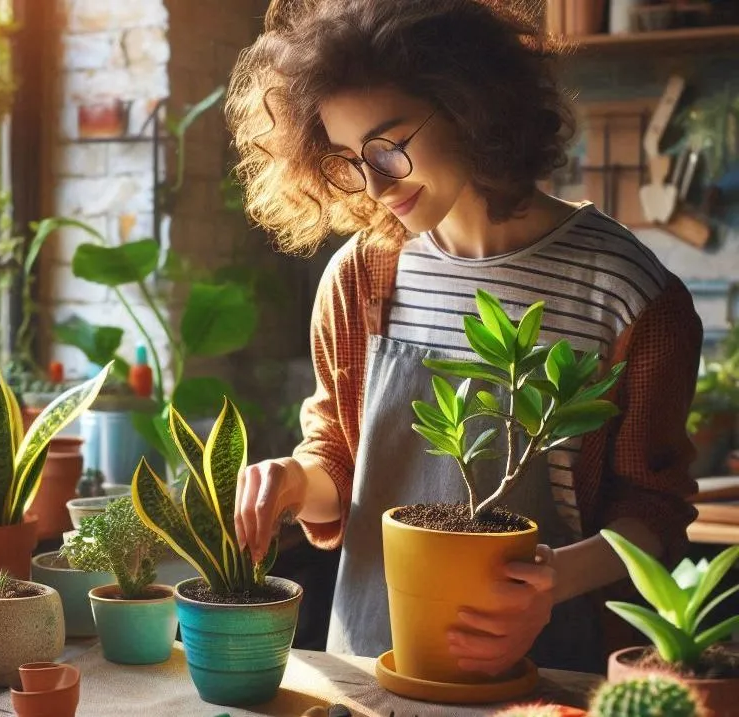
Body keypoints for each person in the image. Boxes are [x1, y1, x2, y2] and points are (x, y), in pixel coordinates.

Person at [226, 0, 702, 675]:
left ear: (469, 105)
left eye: (389, 146)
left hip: (541, 661)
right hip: (368, 659)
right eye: (349, 160)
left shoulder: (628, 295)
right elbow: (341, 456)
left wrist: (553, 581)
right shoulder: (364, 277)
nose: (376, 184)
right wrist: (294, 483)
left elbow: (654, 508)